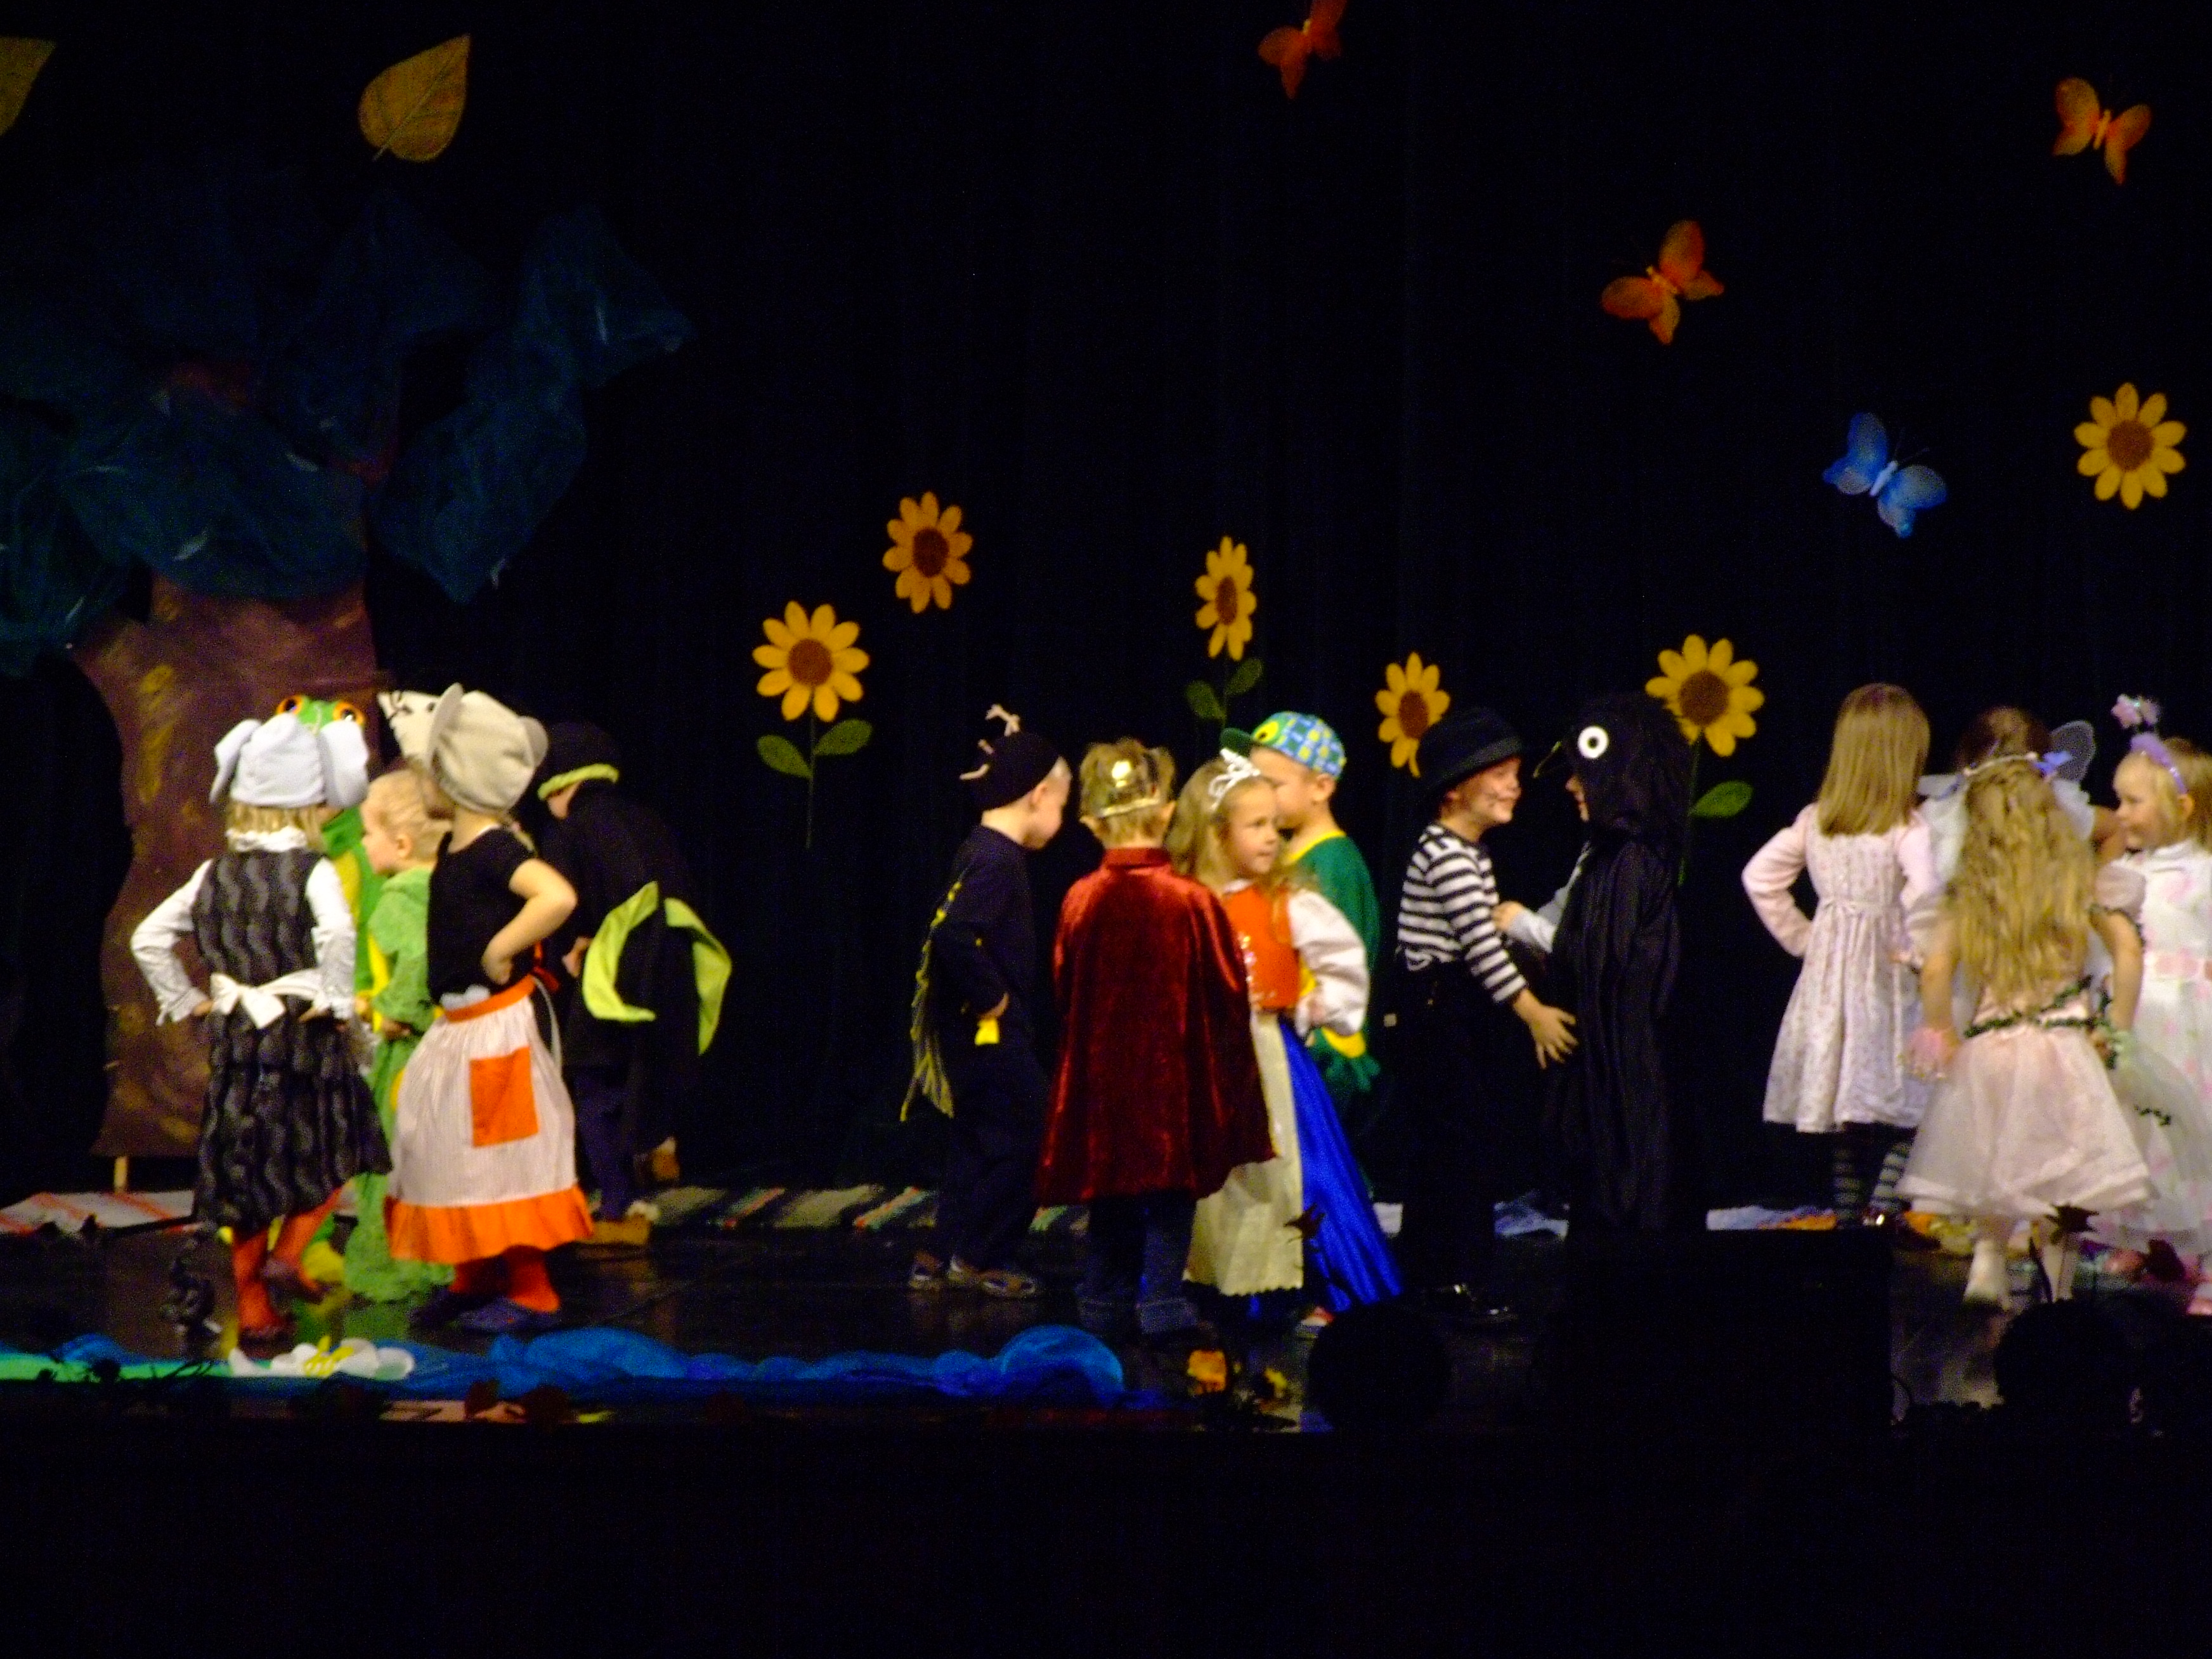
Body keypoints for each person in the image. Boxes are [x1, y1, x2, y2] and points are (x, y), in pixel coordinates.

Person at [129, 703, 387, 1350]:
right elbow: (337, 932)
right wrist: (335, 998)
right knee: (338, 1146)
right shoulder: (312, 871)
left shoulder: (211, 874)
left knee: (246, 1167)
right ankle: (289, 1254)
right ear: (308, 806)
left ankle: (254, 1308)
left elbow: (148, 938)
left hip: (240, 1042)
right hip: (304, 1039)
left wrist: (187, 999)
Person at [1034, 739, 1272, 1348]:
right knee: (1171, 1192)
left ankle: (1102, 1298)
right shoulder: (1191, 901)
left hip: (1105, 1080)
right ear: (1167, 813)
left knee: (1111, 1188)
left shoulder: (1081, 899)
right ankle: (1162, 1300)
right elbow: (1227, 992)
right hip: (1173, 1081)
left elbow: (1063, 983)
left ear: (1092, 824)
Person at [1899, 756, 2155, 1308]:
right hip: (2064, 1046)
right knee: (2068, 1179)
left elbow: (1937, 969)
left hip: (1992, 1045)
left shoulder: (1970, 893)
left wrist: (1941, 1030)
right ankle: (2057, 1292)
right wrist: (2117, 1026)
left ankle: (1988, 1258)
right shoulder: (2078, 884)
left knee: (1996, 1161)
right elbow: (2128, 950)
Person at [387, 687, 594, 1334]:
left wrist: (502, 947)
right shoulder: (457, 849)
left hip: (496, 1031)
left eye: (426, 771)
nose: (419, 783)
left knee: (504, 1158)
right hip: (460, 1029)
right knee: (450, 1152)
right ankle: (471, 1277)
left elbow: (556, 897)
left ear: (457, 776)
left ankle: (532, 1291)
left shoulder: (496, 849)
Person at [1169, 750, 1400, 1325]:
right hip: (1200, 1061)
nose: (1273, 837)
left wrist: (1319, 1008)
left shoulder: (1285, 901)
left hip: (1270, 1058)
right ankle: (1203, 1287)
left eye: (1275, 823)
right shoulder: (1185, 900)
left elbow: (1343, 957)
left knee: (1289, 1174)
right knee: (1210, 1184)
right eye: (1256, 825)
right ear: (1215, 833)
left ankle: (1302, 1289)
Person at [1395, 710, 1576, 1325]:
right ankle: (1450, 1281)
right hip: (1436, 1012)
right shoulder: (1447, 855)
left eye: (1515, 774)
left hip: (1451, 1009)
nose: (1513, 786)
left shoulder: (1465, 851)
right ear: (1454, 788)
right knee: (1456, 1150)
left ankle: (1441, 1276)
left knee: (1458, 1147)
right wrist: (1533, 1013)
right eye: (1499, 774)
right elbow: (1479, 948)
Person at [1741, 685, 1939, 1226]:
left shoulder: (1817, 820)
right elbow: (1926, 897)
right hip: (1886, 986)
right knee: (1919, 1101)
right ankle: (1879, 1210)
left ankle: (1852, 1224)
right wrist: (1916, 950)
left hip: (1832, 987)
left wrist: (1809, 940)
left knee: (1849, 1114)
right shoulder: (1908, 829)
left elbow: (1758, 878)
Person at [1503, 694, 1696, 1232]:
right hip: (1605, 1072)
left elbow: (1600, 958)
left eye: (1582, 773)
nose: (1571, 786)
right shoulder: (1606, 856)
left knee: (1627, 1197)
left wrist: (1523, 927)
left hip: (1629, 1077)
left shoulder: (1632, 862)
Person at [535, 722, 729, 1247]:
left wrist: (573, 944)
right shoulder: (648, 820)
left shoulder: (569, 832)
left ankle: (622, 1206)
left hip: (614, 966)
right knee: (649, 1061)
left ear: (564, 784)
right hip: (669, 961)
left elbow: (563, 900)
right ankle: (659, 1139)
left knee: (594, 1083)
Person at [904, 707, 1069, 1299]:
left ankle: (940, 1251)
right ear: (1039, 795)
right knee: (1037, 1136)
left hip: (971, 1033)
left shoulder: (981, 849)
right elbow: (953, 933)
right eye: (1062, 803)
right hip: (988, 1032)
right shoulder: (998, 860)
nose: (1062, 818)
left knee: (975, 1142)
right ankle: (980, 1255)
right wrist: (994, 997)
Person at [2091, 708, 2212, 1307]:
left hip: (2192, 1026)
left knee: (2196, 1136)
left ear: (2182, 808)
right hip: (2137, 1020)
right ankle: (2143, 1237)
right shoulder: (2122, 873)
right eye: (2119, 800)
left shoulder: (2206, 872)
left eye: (2134, 802)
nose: (2120, 814)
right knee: (2138, 1132)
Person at [339, 765, 455, 1303]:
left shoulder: (402, 895)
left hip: (412, 1050)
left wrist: (392, 1011)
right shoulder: (447, 886)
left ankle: (404, 1267)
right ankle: (449, 1264)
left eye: (369, 833)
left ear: (403, 843)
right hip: (450, 1042)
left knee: (398, 1159)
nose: (363, 844)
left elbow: (420, 956)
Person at [1246, 713, 1383, 1127]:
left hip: (1323, 1059)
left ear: (1321, 788)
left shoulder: (1334, 863)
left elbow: (1337, 971)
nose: (1260, 796)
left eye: (1273, 785)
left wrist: (1323, 1052)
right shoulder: (1287, 853)